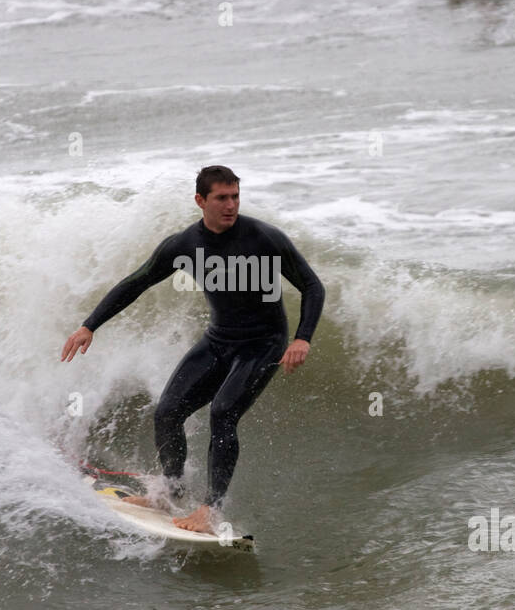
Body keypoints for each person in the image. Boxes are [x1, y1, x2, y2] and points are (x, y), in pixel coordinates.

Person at [60, 166, 324, 533]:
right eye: (221, 198)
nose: (230, 205)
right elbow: (135, 282)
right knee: (167, 413)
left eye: (235, 196)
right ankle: (169, 492)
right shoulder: (185, 244)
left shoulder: (263, 238)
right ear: (201, 200)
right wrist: (89, 325)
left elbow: (312, 285)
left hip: (262, 345)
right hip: (219, 340)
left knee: (223, 414)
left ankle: (209, 510)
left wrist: (302, 337)